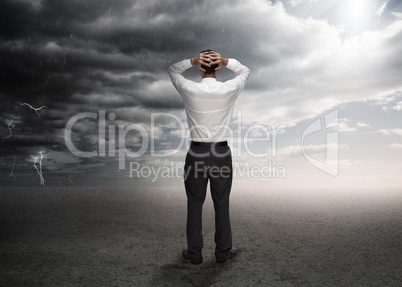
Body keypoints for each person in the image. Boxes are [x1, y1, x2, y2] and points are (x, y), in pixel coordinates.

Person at [168, 49, 250, 264]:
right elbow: (244, 71)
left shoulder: (189, 88)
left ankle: (194, 254)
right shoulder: (228, 89)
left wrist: (191, 61)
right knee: (222, 202)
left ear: (200, 67)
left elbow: (173, 70)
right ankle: (223, 253)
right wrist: (227, 61)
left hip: (197, 152)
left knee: (194, 203)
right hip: (221, 152)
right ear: (218, 67)